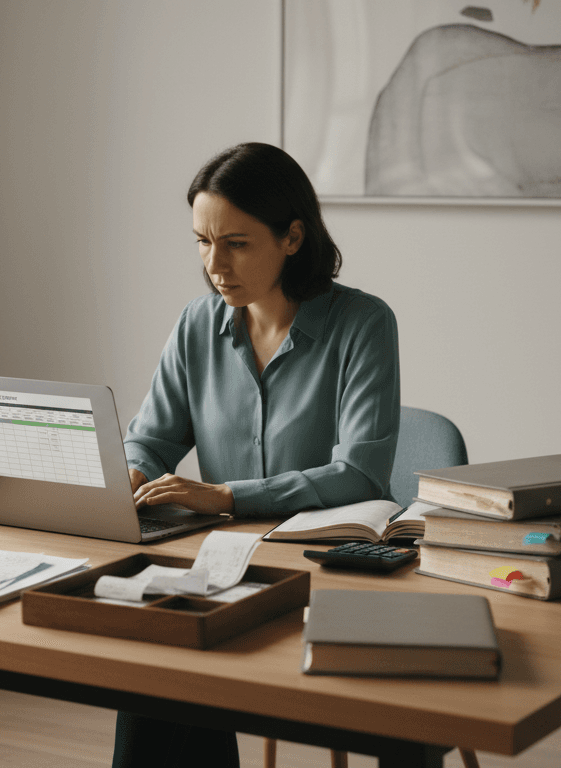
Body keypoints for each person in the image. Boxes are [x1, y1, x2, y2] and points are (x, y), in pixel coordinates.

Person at [112, 142, 400, 767]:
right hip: (222, 570)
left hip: (322, 575)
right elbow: (152, 439)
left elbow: (360, 473)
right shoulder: (197, 324)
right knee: (154, 663)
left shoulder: (363, 324)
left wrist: (225, 496)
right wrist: (130, 477)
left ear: (292, 237)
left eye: (236, 243)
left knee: (165, 667)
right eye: (201, 241)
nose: (214, 264)